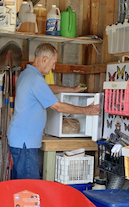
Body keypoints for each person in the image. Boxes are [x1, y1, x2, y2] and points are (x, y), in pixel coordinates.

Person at [7, 43, 100, 179]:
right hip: (25, 143)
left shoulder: (27, 74)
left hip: (21, 140)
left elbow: (47, 88)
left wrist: (72, 90)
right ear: (44, 59)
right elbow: (58, 107)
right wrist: (87, 110)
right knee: (29, 188)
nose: (53, 68)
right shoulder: (35, 79)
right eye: (53, 63)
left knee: (20, 186)